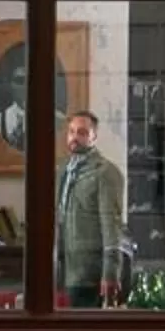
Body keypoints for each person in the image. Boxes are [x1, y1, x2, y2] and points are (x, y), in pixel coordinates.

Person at [54, 109, 125, 308]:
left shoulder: (105, 173)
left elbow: (112, 226)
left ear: (94, 137)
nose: (74, 137)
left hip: (90, 273)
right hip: (65, 270)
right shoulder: (63, 170)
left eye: (82, 132)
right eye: (71, 131)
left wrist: (110, 273)